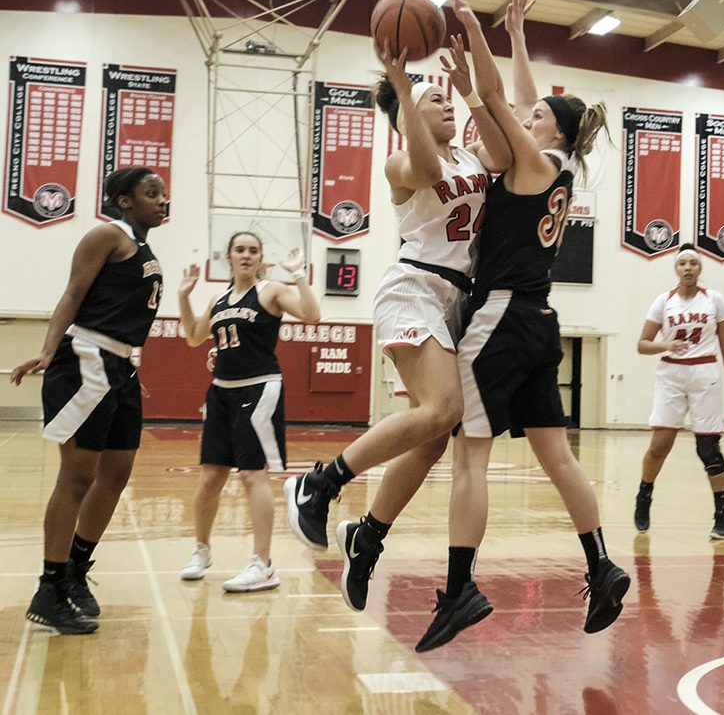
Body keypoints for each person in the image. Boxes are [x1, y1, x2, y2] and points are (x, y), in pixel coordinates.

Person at [412, 0, 630, 653]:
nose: (528, 117)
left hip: (501, 316)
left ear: (551, 132)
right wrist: (516, 35)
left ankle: (459, 589)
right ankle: (601, 564)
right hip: (539, 321)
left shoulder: (532, 160)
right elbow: (526, 101)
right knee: (557, 455)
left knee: (469, 454)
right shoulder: (556, 164)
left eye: (539, 118)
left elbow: (502, 101)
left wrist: (473, 28)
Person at [283, 36, 510, 561]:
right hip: (412, 288)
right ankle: (320, 482)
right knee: (442, 408)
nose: (445, 103)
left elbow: (501, 153)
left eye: (444, 99)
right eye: (437, 100)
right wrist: (406, 92)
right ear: (408, 115)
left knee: (433, 434)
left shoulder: (471, 157)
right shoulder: (398, 165)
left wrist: (470, 93)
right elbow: (428, 172)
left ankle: (368, 533)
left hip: (455, 298)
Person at [10, 167, 167, 634]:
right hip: (85, 359)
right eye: (151, 193)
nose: (162, 200)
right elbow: (72, 295)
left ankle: (76, 570)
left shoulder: (142, 245)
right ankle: (49, 587)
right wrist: (46, 349)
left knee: (116, 474)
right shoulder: (106, 236)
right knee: (77, 476)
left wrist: (127, 372)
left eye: (162, 193)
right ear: (123, 201)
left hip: (119, 366)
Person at [177, 233, 319, 591]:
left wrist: (298, 273)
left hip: (259, 390)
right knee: (210, 477)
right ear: (228, 257)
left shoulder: (271, 291)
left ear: (260, 258)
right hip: (220, 393)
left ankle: (263, 564)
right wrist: (183, 296)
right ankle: (201, 549)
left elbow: (313, 315)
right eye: (240, 250)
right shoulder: (219, 299)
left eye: (253, 250)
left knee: (253, 476)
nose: (246, 255)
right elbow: (194, 337)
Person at [633, 244, 724, 538]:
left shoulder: (714, 300)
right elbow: (642, 344)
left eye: (693, 263)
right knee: (659, 446)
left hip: (705, 372)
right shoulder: (663, 301)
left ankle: (722, 511)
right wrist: (666, 344)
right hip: (671, 373)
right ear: (676, 269)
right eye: (683, 264)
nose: (688, 268)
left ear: (700, 268)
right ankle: (644, 496)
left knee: (708, 449)